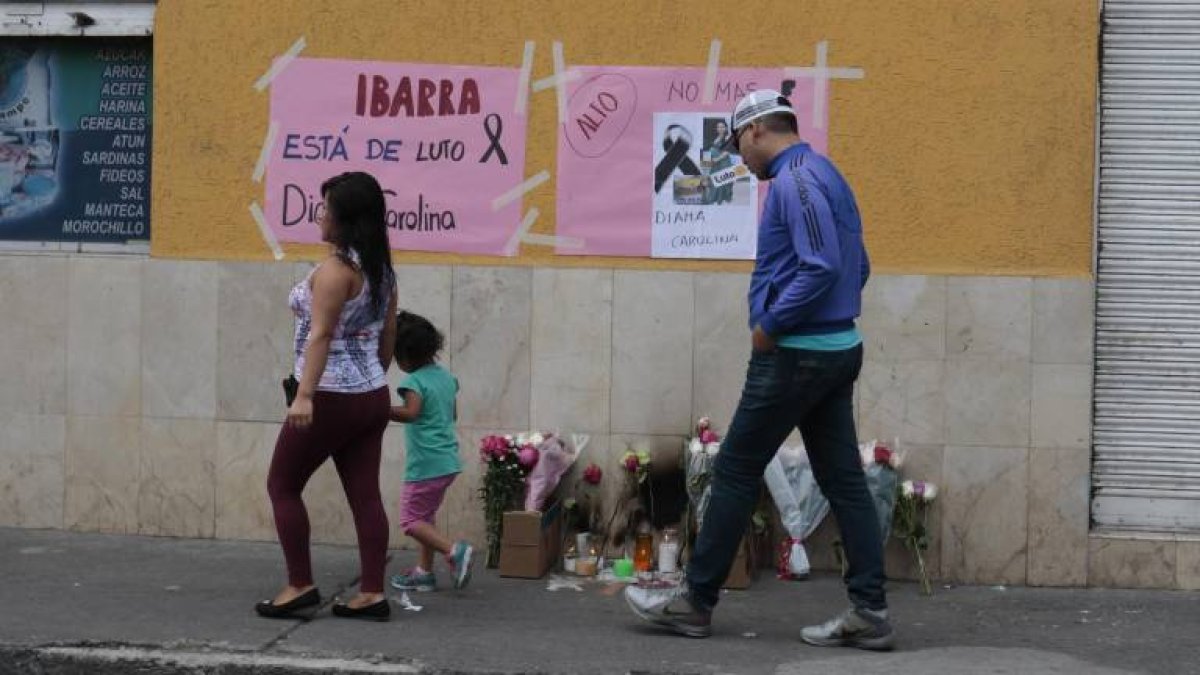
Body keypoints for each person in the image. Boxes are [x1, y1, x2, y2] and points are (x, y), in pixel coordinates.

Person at [625, 90, 893, 650]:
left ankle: (694, 603)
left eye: (738, 145)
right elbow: (858, 264)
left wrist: (771, 324)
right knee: (844, 480)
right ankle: (869, 610)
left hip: (795, 353)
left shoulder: (794, 181)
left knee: (735, 471)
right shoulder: (828, 174)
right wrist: (828, 318)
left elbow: (821, 266)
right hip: (835, 348)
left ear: (755, 131)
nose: (741, 159)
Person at [256, 171, 398, 622]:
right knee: (366, 496)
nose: (319, 215)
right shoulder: (380, 270)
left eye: (325, 208)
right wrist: (370, 380)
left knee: (282, 485)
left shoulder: (336, 272)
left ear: (345, 218)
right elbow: (387, 336)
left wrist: (304, 396)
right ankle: (372, 593)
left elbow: (320, 335)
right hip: (370, 394)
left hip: (329, 396)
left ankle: (299, 585)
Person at [386, 311, 474, 592]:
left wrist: (380, 409)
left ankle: (454, 551)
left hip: (425, 465)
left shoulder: (413, 382)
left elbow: (411, 413)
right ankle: (424, 573)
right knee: (425, 518)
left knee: (411, 520)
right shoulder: (447, 378)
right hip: (447, 462)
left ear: (404, 356)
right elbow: (452, 414)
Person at [704, 119, 735, 205]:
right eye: (718, 127)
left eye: (722, 127)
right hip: (715, 164)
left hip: (723, 162)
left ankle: (722, 198)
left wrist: (717, 159)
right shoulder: (716, 138)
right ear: (717, 129)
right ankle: (715, 198)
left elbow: (727, 151)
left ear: (726, 128)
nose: (720, 128)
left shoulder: (727, 138)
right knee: (714, 180)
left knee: (723, 180)